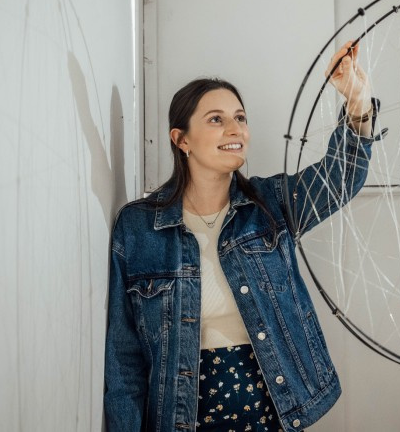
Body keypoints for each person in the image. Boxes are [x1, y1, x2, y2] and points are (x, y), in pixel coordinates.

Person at [104, 42, 379, 432]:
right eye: (216, 119)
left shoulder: (270, 205)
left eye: (240, 117)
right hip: (182, 421)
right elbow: (124, 360)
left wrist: (356, 101)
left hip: (276, 415)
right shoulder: (138, 228)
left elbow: (339, 179)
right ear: (181, 140)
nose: (235, 130)